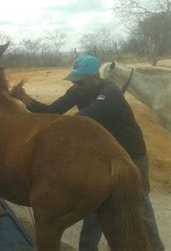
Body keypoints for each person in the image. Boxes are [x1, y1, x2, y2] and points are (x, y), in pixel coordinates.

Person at [11, 55, 164, 251]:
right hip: (104, 156)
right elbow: (54, 110)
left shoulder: (110, 92)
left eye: (80, 81)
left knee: (139, 206)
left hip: (131, 154)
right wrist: (26, 100)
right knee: (93, 207)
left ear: (94, 77)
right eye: (74, 80)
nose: (76, 84)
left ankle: (156, 248)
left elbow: (83, 119)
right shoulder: (78, 91)